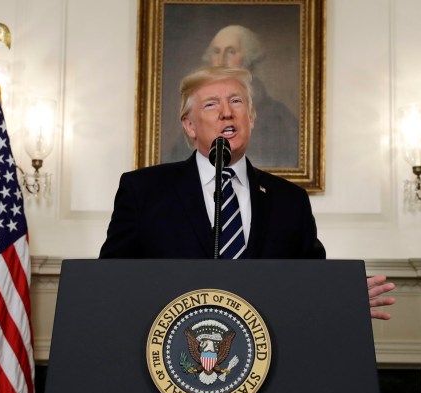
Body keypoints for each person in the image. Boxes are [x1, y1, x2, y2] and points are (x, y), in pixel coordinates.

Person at [99, 66, 395, 319]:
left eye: (236, 101)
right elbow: (111, 280)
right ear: (189, 126)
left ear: (251, 118)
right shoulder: (144, 191)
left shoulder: (289, 200)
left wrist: (341, 298)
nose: (227, 112)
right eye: (211, 105)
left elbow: (309, 281)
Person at [200, 25, 299, 168]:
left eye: (231, 52)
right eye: (216, 52)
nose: (221, 61)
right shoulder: (199, 113)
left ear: (249, 58)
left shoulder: (279, 117)